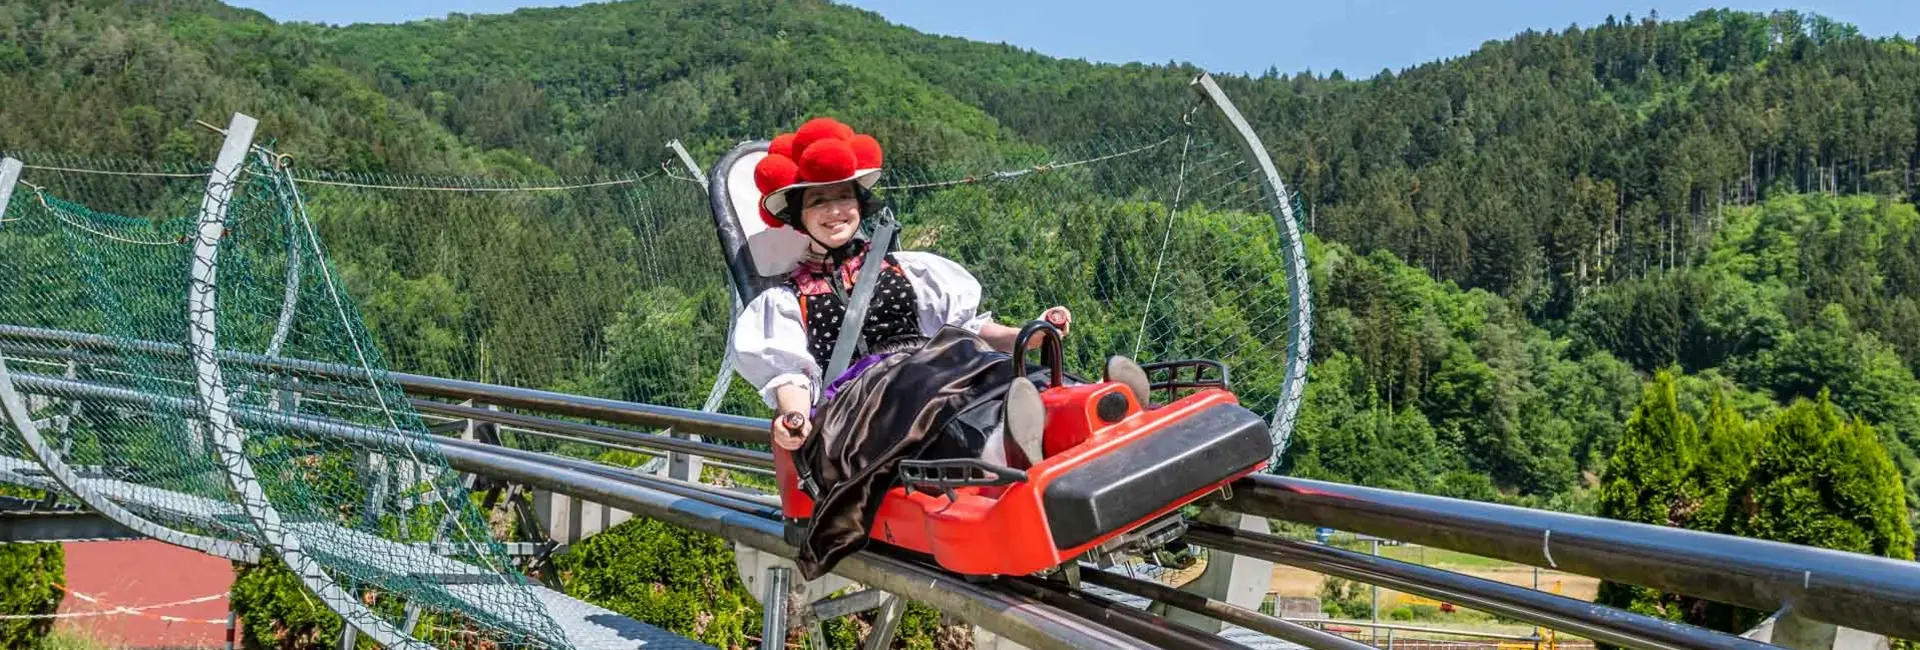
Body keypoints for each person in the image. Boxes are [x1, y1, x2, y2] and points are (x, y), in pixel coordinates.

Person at [730, 117, 1149, 578]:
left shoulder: (905, 269)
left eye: (843, 198)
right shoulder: (787, 300)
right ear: (800, 216)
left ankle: (1084, 412)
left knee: (983, 362)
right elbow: (789, 373)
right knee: (925, 385)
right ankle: (1001, 448)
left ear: (860, 205)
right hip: (860, 397)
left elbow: (972, 326)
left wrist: (1031, 331)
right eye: (819, 201)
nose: (835, 211)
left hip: (935, 363)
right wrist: (793, 415)